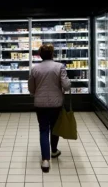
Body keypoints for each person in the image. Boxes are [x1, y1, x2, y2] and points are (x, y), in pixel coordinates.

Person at [28, 44, 71, 173]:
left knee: (43, 130)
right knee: (54, 128)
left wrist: (37, 92)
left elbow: (31, 88)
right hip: (56, 103)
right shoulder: (60, 67)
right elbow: (66, 85)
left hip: (40, 104)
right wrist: (68, 83)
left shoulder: (35, 69)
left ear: (40, 55)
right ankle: (54, 151)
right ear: (52, 54)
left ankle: (45, 160)